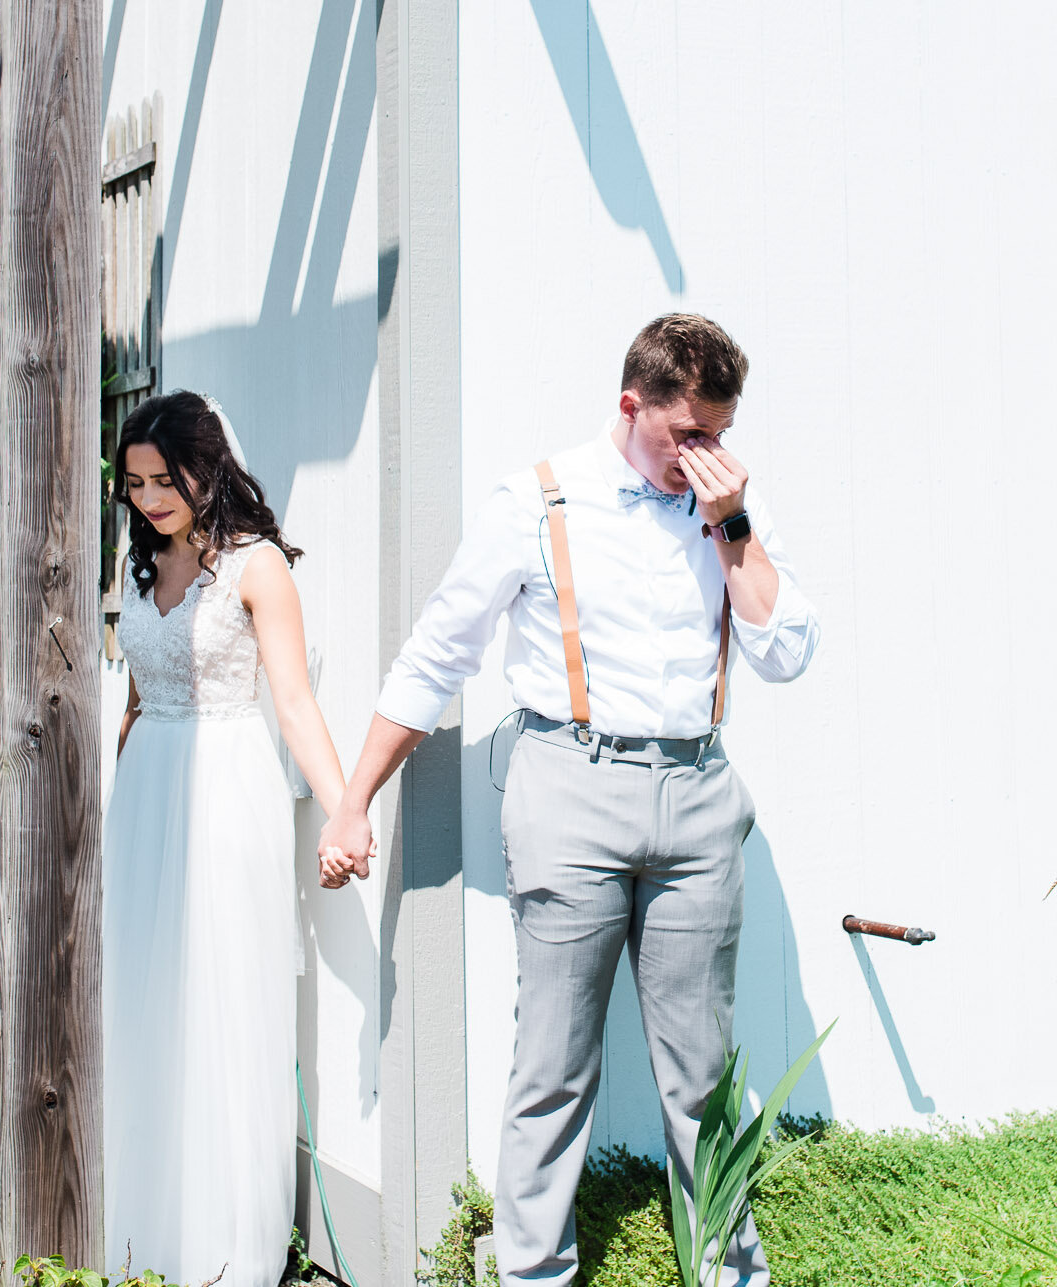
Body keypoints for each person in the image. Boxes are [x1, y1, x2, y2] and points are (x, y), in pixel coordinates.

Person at [317, 315, 819, 1287]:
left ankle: (727, 1271)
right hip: (568, 786)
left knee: (701, 1071)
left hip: (697, 790)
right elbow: (437, 655)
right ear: (631, 405)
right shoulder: (537, 500)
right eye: (687, 435)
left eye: (718, 433)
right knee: (552, 1061)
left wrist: (734, 526)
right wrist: (353, 802)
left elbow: (785, 651)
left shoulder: (725, 509)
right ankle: (533, 1274)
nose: (704, 456)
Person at [103, 391, 347, 1287]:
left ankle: (219, 1240)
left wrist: (344, 805)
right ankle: (139, 1215)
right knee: (142, 992)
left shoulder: (257, 568)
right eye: (133, 483)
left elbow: (294, 703)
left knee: (220, 992)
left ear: (209, 468)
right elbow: (131, 697)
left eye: (165, 479)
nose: (149, 498)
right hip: (147, 791)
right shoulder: (138, 565)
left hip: (227, 784)